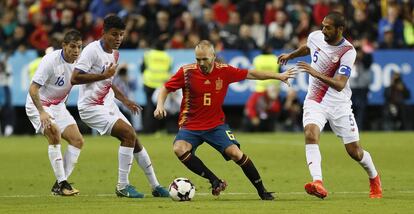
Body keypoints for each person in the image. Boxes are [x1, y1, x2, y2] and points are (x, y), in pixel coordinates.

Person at [154, 40, 296, 200]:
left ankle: (262, 191)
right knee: (179, 148)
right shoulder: (186, 72)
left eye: (205, 59)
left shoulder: (225, 71)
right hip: (190, 125)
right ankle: (214, 180)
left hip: (216, 125)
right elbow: (166, 88)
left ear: (213, 56)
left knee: (236, 154)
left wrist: (279, 76)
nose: (201, 63)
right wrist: (160, 105)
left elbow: (252, 74)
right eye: (198, 59)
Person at [278, 12, 382, 199]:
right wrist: (291, 55)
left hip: (339, 105)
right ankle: (318, 182)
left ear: (340, 29)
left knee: (354, 152)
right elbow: (309, 48)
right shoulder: (316, 36)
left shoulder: (348, 51)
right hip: (315, 101)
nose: (323, 30)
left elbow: (341, 84)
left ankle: (374, 177)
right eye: (323, 25)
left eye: (328, 27)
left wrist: (314, 72)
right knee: (310, 133)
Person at [70, 15, 169, 198]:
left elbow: (109, 80)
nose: (118, 39)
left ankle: (155, 186)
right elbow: (75, 78)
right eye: (114, 34)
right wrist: (103, 75)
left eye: (121, 35)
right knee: (128, 134)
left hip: (108, 104)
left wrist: (124, 99)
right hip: (91, 107)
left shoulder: (115, 53)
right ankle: (122, 186)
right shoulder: (91, 50)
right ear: (104, 33)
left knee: (135, 140)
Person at [25, 30, 83, 196]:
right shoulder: (50, 61)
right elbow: (33, 88)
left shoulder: (80, 63)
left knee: (77, 140)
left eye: (79, 47)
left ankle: (59, 185)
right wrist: (42, 112)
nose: (76, 51)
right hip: (39, 104)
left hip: (57, 106)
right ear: (64, 46)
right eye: (72, 46)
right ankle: (63, 183)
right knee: (54, 133)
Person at [141, 40, 172, 133]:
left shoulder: (148, 54)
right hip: (162, 85)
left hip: (149, 83)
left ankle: (149, 129)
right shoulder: (168, 57)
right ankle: (162, 128)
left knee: (149, 107)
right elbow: (169, 69)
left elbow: (142, 68)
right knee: (161, 106)